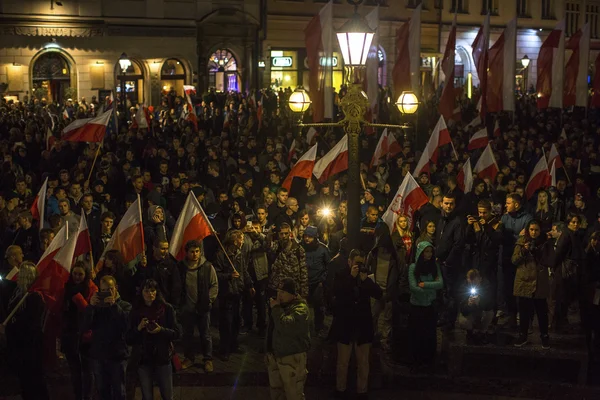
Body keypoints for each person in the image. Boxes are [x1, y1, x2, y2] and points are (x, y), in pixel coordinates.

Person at [330, 249, 382, 399]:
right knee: (342, 362)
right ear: (349, 262)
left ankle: (362, 391)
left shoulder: (366, 276)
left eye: (362, 262)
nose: (359, 265)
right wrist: (352, 278)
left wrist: (366, 280)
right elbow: (337, 292)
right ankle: (340, 390)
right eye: (357, 262)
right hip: (345, 325)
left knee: (363, 362)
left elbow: (378, 294)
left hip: (362, 326)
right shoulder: (341, 275)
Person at [127, 279, 181, 400]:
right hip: (143, 359)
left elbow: (177, 333)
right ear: (141, 292)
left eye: (152, 290)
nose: (150, 294)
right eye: (146, 291)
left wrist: (161, 330)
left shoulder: (167, 309)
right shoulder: (135, 311)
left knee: (167, 395)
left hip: (162, 358)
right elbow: (128, 338)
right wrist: (139, 328)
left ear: (157, 292)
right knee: (147, 396)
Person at [2, 262, 49, 400]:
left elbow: (29, 324)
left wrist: (10, 327)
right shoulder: (18, 293)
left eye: (22, 275)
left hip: (30, 345)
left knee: (34, 378)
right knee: (24, 379)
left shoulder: (34, 297)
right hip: (19, 344)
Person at [82, 275, 132, 400]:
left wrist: (114, 306)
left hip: (117, 356)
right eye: (103, 290)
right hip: (99, 355)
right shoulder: (97, 308)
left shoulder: (125, 306)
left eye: (110, 289)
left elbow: (125, 326)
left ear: (116, 288)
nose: (107, 293)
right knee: (102, 391)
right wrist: (91, 307)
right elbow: (84, 326)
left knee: (118, 391)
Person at [266, 278, 311, 400]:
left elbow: (286, 326)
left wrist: (275, 309)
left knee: (294, 394)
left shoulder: (301, 309)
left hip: (292, 359)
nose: (279, 295)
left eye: (283, 292)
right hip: (276, 356)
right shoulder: (281, 306)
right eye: (278, 291)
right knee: (277, 393)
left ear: (293, 294)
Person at [178, 240, 218, 372]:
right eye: (192, 252)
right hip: (187, 308)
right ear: (187, 253)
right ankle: (189, 358)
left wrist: (209, 301)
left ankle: (208, 359)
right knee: (187, 334)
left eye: (197, 251)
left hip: (203, 307)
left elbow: (214, 285)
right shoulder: (181, 267)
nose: (195, 254)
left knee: (205, 334)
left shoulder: (207, 267)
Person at [214, 229, 254, 360]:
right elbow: (216, 274)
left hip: (238, 292)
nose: (242, 241)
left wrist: (249, 285)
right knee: (226, 322)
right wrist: (229, 276)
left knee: (236, 320)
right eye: (241, 239)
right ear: (234, 240)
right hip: (227, 294)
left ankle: (233, 344)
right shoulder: (221, 255)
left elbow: (244, 270)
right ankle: (224, 349)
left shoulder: (239, 254)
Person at [61, 261, 98, 400]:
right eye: (75, 273)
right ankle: (78, 395)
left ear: (86, 274)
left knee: (87, 369)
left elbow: (89, 310)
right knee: (74, 370)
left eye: (80, 274)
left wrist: (77, 297)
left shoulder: (91, 288)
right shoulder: (66, 286)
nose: (77, 277)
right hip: (70, 333)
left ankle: (87, 396)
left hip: (85, 335)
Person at [512, 220, 550, 349]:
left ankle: (544, 335)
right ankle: (523, 335)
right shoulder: (521, 241)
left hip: (539, 281)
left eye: (536, 230)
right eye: (532, 229)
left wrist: (540, 252)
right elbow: (514, 260)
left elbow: (550, 260)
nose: (534, 232)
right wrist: (524, 250)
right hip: (525, 280)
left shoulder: (546, 243)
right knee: (524, 311)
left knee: (542, 311)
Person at [408, 241, 443, 372]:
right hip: (417, 306)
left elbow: (440, 283)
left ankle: (428, 361)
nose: (428, 254)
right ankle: (416, 361)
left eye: (430, 252)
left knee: (429, 335)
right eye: (426, 251)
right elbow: (413, 287)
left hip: (430, 306)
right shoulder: (413, 267)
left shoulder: (435, 267)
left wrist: (425, 285)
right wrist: (431, 288)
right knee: (417, 335)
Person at [500, 193, 533, 327]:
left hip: (521, 259)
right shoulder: (504, 217)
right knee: (508, 288)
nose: (505, 205)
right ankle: (512, 316)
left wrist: (510, 237)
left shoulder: (527, 218)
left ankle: (526, 319)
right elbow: (502, 236)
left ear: (517, 204)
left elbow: (525, 237)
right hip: (507, 257)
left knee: (522, 288)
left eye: (508, 203)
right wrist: (515, 237)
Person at [435, 193, 464, 328]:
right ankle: (442, 317)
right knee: (441, 291)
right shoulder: (440, 219)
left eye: (451, 203)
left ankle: (450, 321)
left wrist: (448, 261)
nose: (448, 206)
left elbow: (458, 244)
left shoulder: (457, 222)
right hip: (439, 262)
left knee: (450, 292)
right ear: (441, 203)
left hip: (449, 264)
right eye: (446, 203)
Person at [301, 225, 330, 335]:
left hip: (317, 283)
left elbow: (328, 266)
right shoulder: (300, 247)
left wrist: (323, 280)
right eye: (305, 236)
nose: (307, 239)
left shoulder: (323, 249)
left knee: (318, 306)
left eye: (310, 237)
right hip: (304, 282)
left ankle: (319, 327)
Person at [458, 269, 494, 344]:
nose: (473, 285)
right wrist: (468, 304)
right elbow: (462, 309)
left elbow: (490, 305)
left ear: (480, 279)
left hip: (482, 312)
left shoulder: (487, 286)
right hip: (470, 313)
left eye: (475, 282)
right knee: (463, 321)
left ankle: (483, 332)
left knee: (489, 313)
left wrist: (480, 302)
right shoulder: (463, 287)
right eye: (471, 283)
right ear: (467, 279)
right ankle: (470, 333)